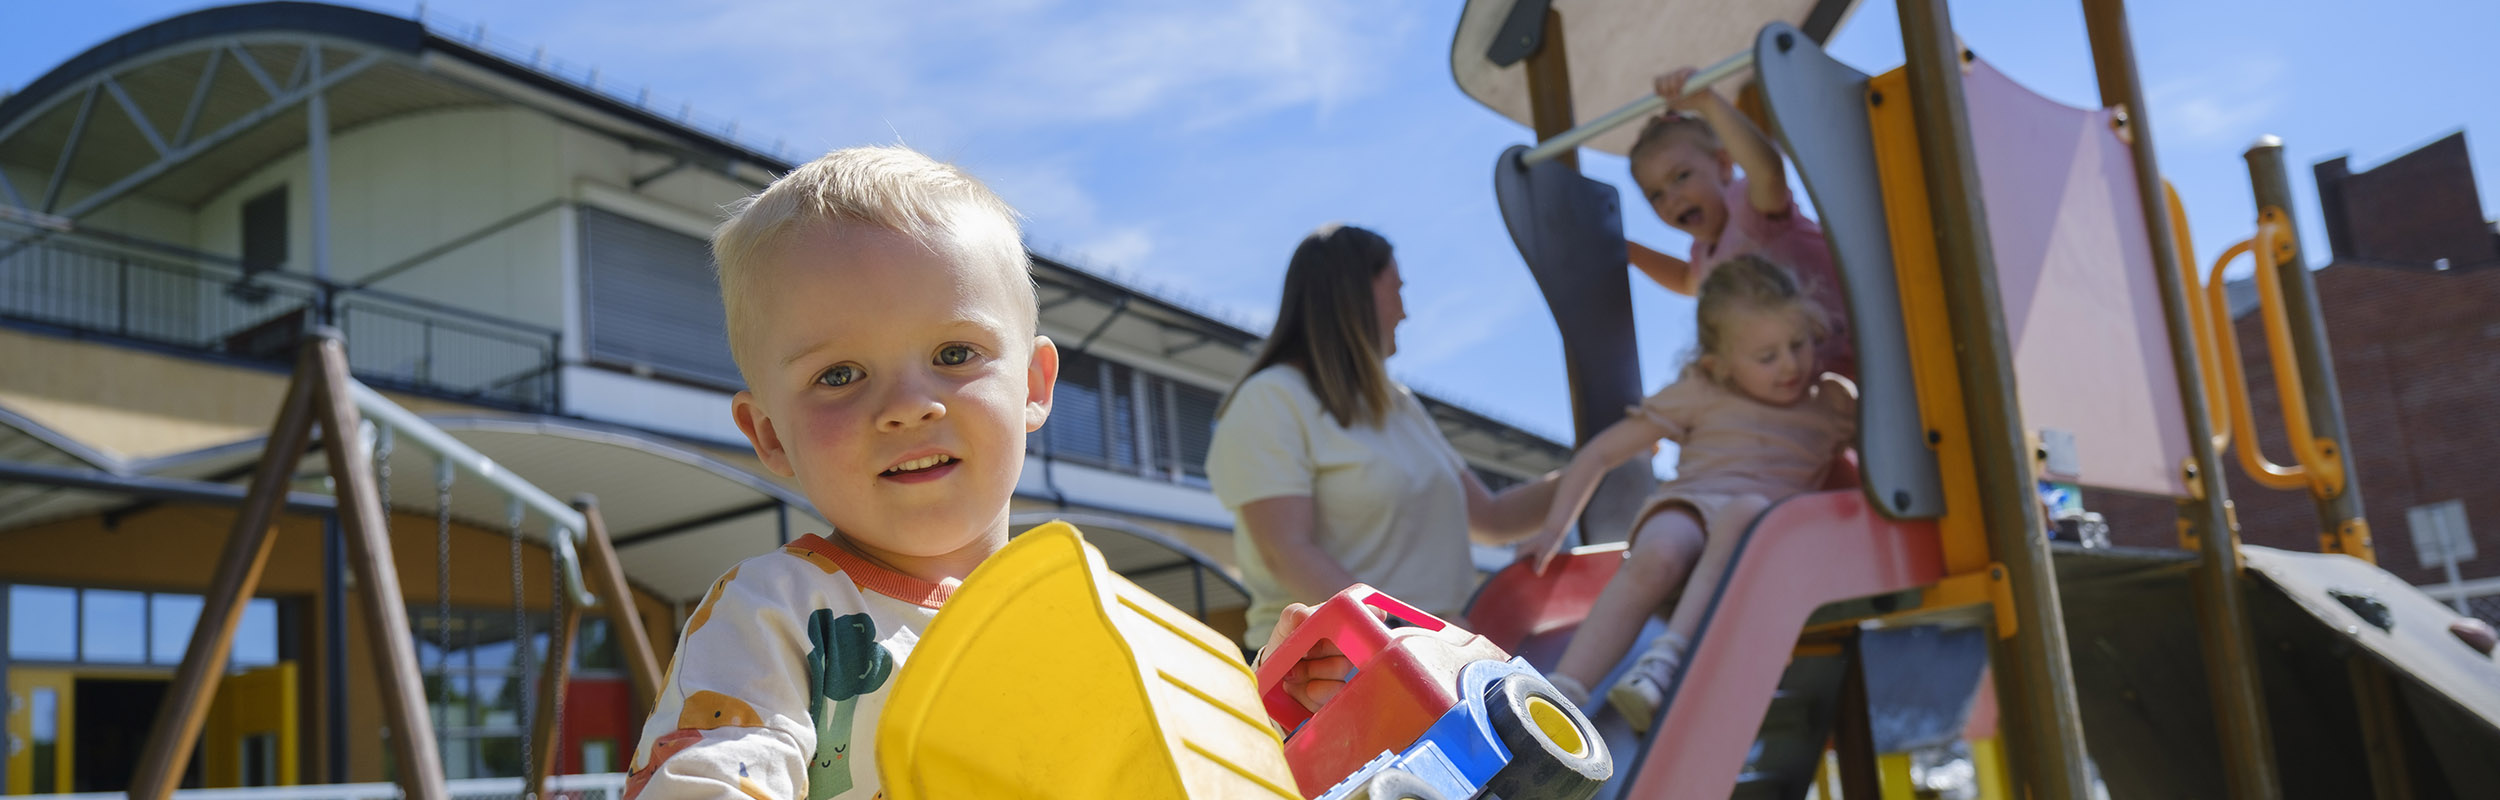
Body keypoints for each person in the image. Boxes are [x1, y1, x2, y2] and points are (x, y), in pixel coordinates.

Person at [620, 145, 1062, 799]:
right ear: (770, 433)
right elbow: (709, 778)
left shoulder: (1081, 623)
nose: (909, 406)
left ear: (1031, 384)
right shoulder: (775, 616)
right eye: (839, 375)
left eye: (954, 352)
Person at [1521, 255, 1857, 732]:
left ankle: (1665, 664)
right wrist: (1555, 528)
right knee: (1658, 552)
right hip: (1692, 508)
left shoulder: (1831, 404)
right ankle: (1562, 692)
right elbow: (1599, 453)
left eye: (1798, 345)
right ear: (1717, 363)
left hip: (1763, 540)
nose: (1789, 365)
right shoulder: (1701, 391)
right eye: (1766, 356)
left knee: (1746, 512)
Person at [1207, 223, 1560, 649]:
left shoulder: (1399, 403)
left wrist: (1601, 466)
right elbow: (1287, 552)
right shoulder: (1269, 399)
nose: (1405, 311)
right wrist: (1408, 637)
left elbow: (1493, 519)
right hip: (1330, 669)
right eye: (1397, 289)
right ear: (1353, 295)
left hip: (1434, 657)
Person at [1625, 67, 1855, 378]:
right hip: (1815, 375)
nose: (1672, 199)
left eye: (1681, 176)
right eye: (1655, 195)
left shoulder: (1748, 208)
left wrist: (1709, 102)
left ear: (1723, 165)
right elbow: (1684, 280)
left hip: (1863, 342)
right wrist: (1629, 252)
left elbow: (1769, 172)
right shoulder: (1704, 253)